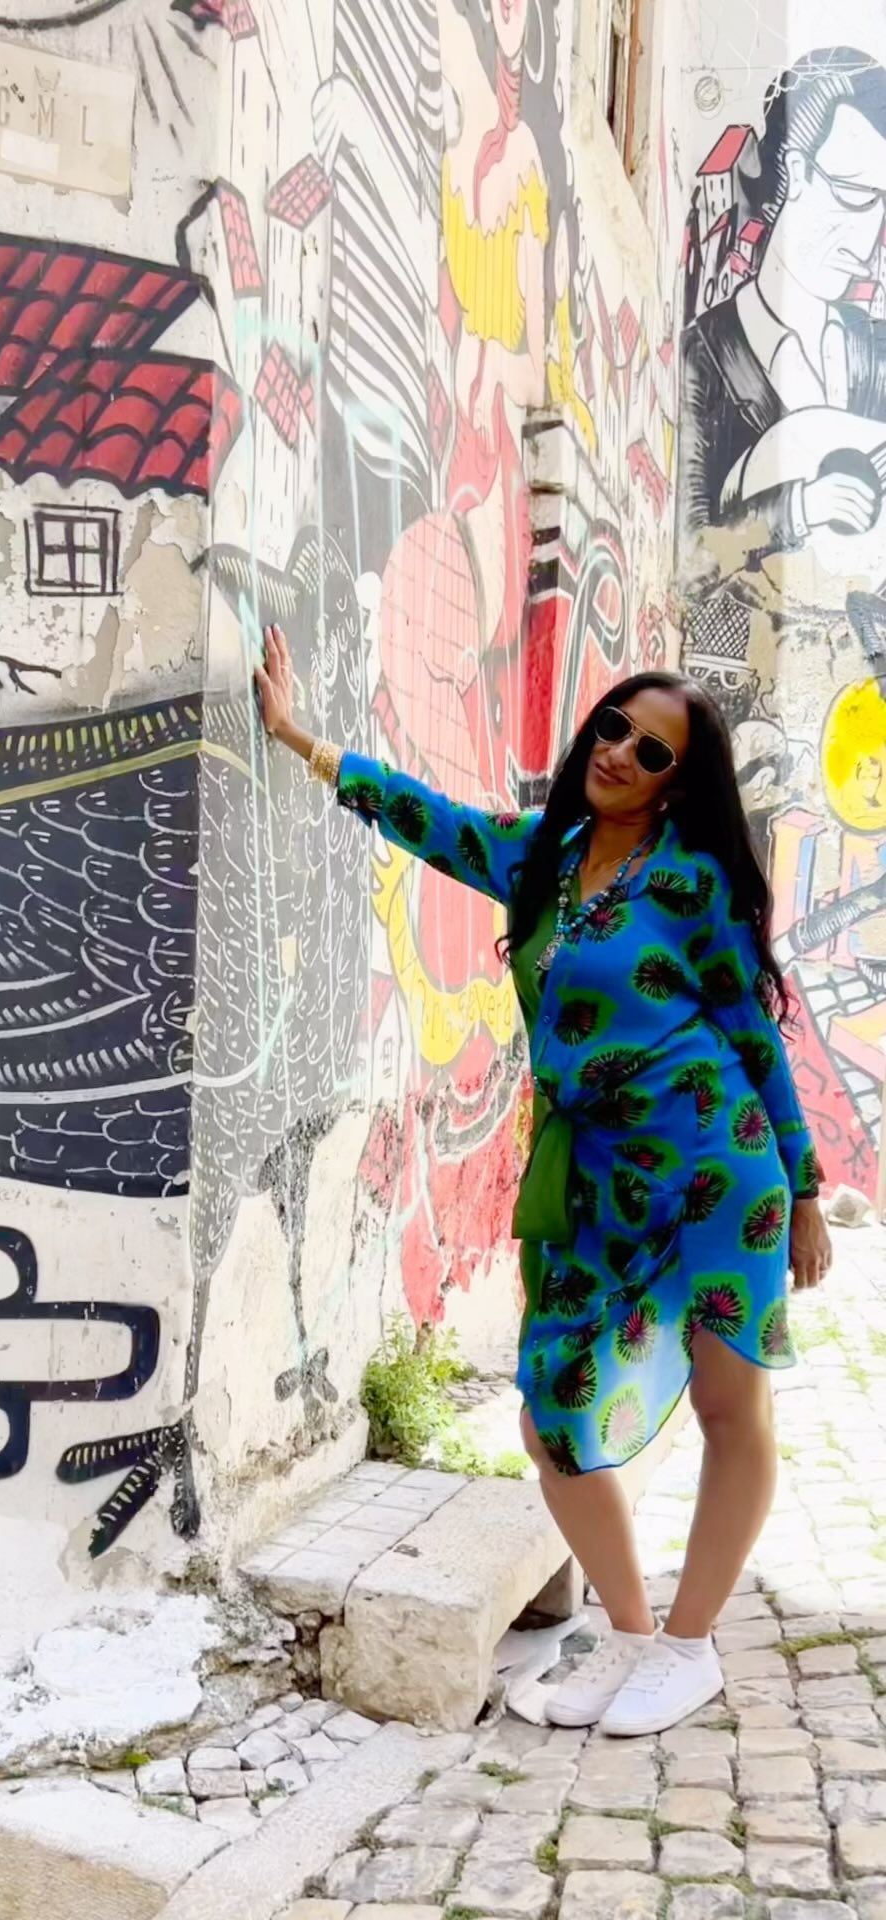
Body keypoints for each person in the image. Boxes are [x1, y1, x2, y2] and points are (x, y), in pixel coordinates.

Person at [256, 623, 832, 1738]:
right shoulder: (544, 858)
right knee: (551, 1414)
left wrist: (804, 1190)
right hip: (596, 1182)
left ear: (676, 785)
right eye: (614, 727)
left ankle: (688, 1647)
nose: (619, 752)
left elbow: (753, 1038)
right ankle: (631, 1635)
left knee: (731, 1405)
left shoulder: (695, 884)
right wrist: (300, 741)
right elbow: (433, 822)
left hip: (718, 1173)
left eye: (651, 750)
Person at [682, 47, 886, 545]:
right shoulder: (701, 359)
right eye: (856, 196)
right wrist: (799, 508)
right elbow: (690, 550)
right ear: (796, 171)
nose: (869, 240)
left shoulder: (876, 352)